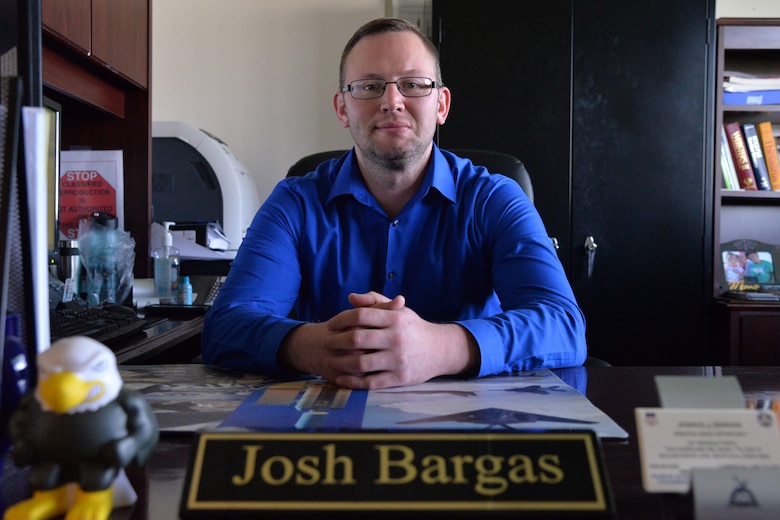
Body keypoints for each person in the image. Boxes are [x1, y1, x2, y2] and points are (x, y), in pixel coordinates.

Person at [201, 17, 587, 389]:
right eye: (369, 86)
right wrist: (312, 347)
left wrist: (440, 348)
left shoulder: (496, 199)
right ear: (342, 108)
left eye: (414, 84)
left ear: (441, 105)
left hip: (467, 433)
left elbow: (563, 324)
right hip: (331, 432)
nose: (392, 101)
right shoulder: (294, 203)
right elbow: (226, 327)